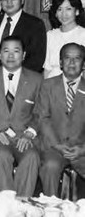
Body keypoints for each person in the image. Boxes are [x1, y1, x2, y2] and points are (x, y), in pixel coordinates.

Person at [0, 36, 42, 197]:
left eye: (16, 51)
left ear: (23, 55)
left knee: (32, 157)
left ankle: (22, 204)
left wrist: (30, 133)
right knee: (1, 156)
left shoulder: (36, 79)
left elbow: (41, 112)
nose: (10, 55)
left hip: (24, 135)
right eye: (6, 51)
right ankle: (5, 204)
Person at [36, 43, 85, 196]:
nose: (71, 63)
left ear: (84, 64)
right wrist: (57, 145)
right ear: (61, 62)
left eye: (77, 58)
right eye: (67, 58)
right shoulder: (47, 85)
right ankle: (50, 207)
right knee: (50, 166)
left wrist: (83, 149)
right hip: (54, 147)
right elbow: (42, 118)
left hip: (81, 148)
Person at [0, 0, 46, 73]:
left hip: (23, 81)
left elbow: (37, 59)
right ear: (0, 1)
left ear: (22, 0)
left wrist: (14, 77)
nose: (9, 1)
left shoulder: (35, 24)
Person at [43, 0, 85, 78]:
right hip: (52, 85)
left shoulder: (83, 34)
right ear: (55, 13)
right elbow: (47, 69)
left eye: (68, 9)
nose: (63, 14)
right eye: (59, 9)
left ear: (76, 11)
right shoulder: (50, 35)